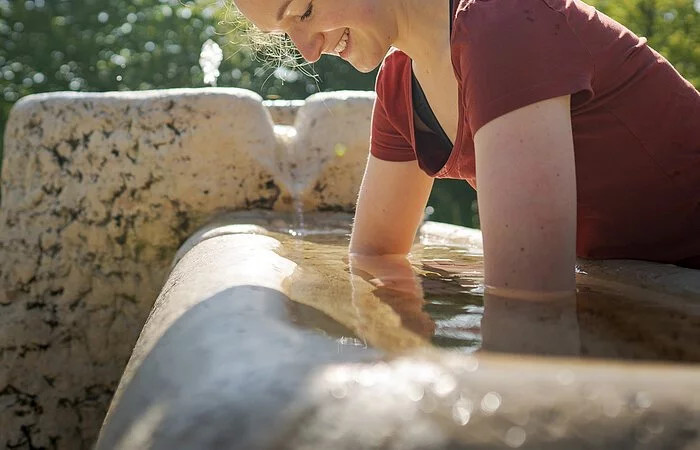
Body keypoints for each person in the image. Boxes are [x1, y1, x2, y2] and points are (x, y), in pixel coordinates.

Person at [233, 0, 700, 302]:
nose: (307, 51)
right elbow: (374, 258)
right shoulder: (399, 86)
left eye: (306, 10)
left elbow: (530, 299)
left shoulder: (504, 21)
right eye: (284, 34)